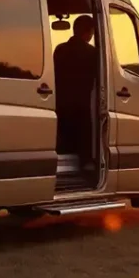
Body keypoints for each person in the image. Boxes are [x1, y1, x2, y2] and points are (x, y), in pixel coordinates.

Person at [53, 15, 97, 170]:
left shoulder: (60, 50)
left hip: (60, 104)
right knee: (84, 131)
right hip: (81, 105)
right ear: (88, 32)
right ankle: (86, 163)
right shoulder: (92, 53)